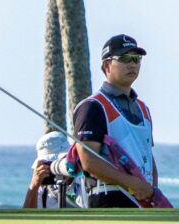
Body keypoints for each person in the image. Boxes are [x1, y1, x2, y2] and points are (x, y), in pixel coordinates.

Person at [69, 33, 166, 208]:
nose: (132, 64)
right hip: (108, 198)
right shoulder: (93, 106)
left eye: (136, 59)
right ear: (106, 65)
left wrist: (152, 191)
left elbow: (147, 156)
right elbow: (88, 160)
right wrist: (132, 183)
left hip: (142, 199)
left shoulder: (143, 109)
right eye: (125, 58)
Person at [24, 133, 76, 210]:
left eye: (59, 163)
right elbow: (27, 218)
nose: (55, 169)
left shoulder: (87, 182)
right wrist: (34, 185)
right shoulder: (44, 187)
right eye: (49, 164)